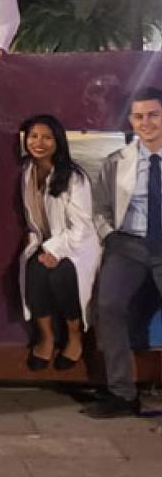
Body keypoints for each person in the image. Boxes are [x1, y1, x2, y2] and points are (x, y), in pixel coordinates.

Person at [84, 88, 162, 418]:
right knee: (109, 304)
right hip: (128, 245)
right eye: (139, 116)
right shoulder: (116, 162)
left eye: (153, 115)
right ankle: (122, 392)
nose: (146, 122)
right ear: (130, 120)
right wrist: (110, 237)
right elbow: (100, 207)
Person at [17, 114, 99, 372]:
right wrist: (42, 248)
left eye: (46, 137)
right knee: (34, 272)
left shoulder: (74, 177)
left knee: (63, 276)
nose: (38, 143)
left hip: (76, 246)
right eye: (33, 136)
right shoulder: (27, 171)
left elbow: (82, 227)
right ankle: (46, 337)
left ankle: (75, 337)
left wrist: (55, 249)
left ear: (58, 142)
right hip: (44, 244)